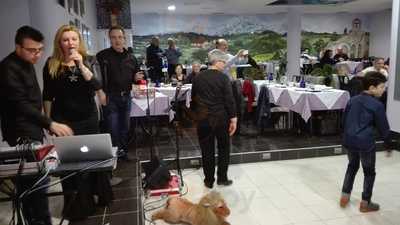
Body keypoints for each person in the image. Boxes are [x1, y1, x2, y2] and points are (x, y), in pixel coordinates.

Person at [0, 25, 73, 225]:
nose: (37, 54)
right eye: (32, 50)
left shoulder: (27, 62)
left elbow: (34, 98)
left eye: (40, 49)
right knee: (35, 188)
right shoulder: (7, 68)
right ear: (18, 47)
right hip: (20, 133)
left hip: (33, 128)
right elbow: (20, 104)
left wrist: (43, 121)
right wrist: (50, 123)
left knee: (38, 184)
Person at [42, 24, 113, 220]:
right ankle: (78, 205)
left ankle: (98, 195)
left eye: (74, 39)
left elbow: (97, 86)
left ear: (79, 41)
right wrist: (48, 122)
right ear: (59, 43)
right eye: (65, 39)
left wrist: (81, 65)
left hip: (87, 117)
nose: (70, 43)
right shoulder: (51, 63)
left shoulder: (89, 60)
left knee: (92, 159)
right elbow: (47, 95)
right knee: (70, 163)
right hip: (64, 120)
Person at [339, 71, 394, 212]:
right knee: (369, 172)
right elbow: (384, 128)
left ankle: (344, 196)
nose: (384, 90)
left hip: (349, 140)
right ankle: (365, 202)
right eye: (382, 87)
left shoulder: (352, 100)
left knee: (352, 166)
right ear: (371, 88)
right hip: (365, 143)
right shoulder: (377, 105)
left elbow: (343, 121)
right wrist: (388, 145)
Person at [191, 49, 237, 189]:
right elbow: (229, 100)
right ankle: (222, 178)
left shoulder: (197, 77)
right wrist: (233, 118)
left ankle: (209, 180)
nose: (224, 64)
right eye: (223, 62)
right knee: (224, 148)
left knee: (206, 150)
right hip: (221, 119)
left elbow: (193, 100)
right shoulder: (223, 78)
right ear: (216, 62)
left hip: (203, 120)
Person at [96, 25, 142, 160]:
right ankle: (114, 155)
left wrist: (137, 79)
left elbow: (137, 78)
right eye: (114, 37)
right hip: (110, 98)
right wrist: (100, 94)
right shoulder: (102, 56)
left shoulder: (132, 57)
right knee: (113, 129)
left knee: (125, 128)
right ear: (109, 39)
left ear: (124, 39)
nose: (117, 40)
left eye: (120, 37)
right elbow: (96, 78)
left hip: (127, 97)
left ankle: (123, 153)